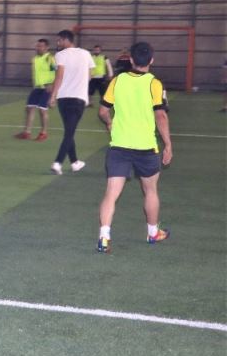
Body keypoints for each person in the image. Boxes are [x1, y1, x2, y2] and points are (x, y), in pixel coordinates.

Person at [96, 41, 172, 253]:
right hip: (146, 147)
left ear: (130, 59)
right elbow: (160, 115)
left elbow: (103, 111)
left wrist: (109, 123)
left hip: (119, 145)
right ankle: (153, 232)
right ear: (151, 60)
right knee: (150, 191)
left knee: (111, 193)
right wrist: (168, 144)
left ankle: (104, 237)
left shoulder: (117, 80)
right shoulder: (154, 83)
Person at [49, 29, 95, 175]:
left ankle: (75, 162)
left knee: (69, 131)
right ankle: (58, 163)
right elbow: (90, 76)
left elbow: (59, 77)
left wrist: (53, 96)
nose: (57, 43)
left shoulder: (60, 55)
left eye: (59, 40)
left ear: (65, 40)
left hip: (63, 99)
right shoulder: (86, 54)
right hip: (78, 99)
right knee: (69, 132)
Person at [14, 38, 55, 141]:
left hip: (47, 88)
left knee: (42, 110)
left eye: (41, 46)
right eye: (37, 46)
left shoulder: (50, 58)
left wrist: (52, 87)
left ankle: (43, 133)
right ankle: (27, 133)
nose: (38, 48)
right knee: (29, 108)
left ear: (47, 47)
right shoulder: (35, 58)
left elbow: (56, 72)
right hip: (37, 88)